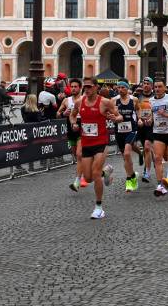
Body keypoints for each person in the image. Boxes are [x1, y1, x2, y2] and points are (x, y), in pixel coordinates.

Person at [69, 77, 119, 219]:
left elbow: (119, 116)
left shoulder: (104, 102)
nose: (87, 89)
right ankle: (107, 171)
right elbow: (73, 116)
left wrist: (115, 118)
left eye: (90, 86)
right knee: (89, 178)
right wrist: (74, 124)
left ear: (96, 87)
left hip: (101, 143)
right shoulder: (79, 102)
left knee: (95, 174)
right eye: (85, 87)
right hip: (86, 144)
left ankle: (98, 207)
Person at [113, 80, 141, 192]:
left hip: (131, 129)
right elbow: (111, 112)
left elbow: (138, 109)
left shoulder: (134, 100)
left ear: (127, 88)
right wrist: (113, 117)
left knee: (127, 153)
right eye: (118, 88)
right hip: (119, 130)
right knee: (125, 157)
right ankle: (133, 175)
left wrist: (139, 119)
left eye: (122, 87)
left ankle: (129, 180)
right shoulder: (114, 100)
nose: (120, 90)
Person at [59, 79, 86, 192]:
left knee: (79, 154)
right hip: (71, 128)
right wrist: (63, 113)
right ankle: (90, 171)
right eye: (72, 86)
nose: (73, 88)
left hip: (82, 127)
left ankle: (77, 180)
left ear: (80, 88)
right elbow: (58, 113)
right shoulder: (66, 100)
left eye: (75, 86)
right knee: (75, 154)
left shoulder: (84, 99)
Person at [136, 77, 156, 183]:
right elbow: (136, 109)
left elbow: (156, 110)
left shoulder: (155, 97)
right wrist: (139, 119)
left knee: (147, 147)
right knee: (144, 148)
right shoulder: (137, 96)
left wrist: (151, 119)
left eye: (148, 83)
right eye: (144, 83)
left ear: (151, 85)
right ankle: (144, 157)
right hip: (140, 125)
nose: (146, 85)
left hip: (151, 125)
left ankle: (147, 172)